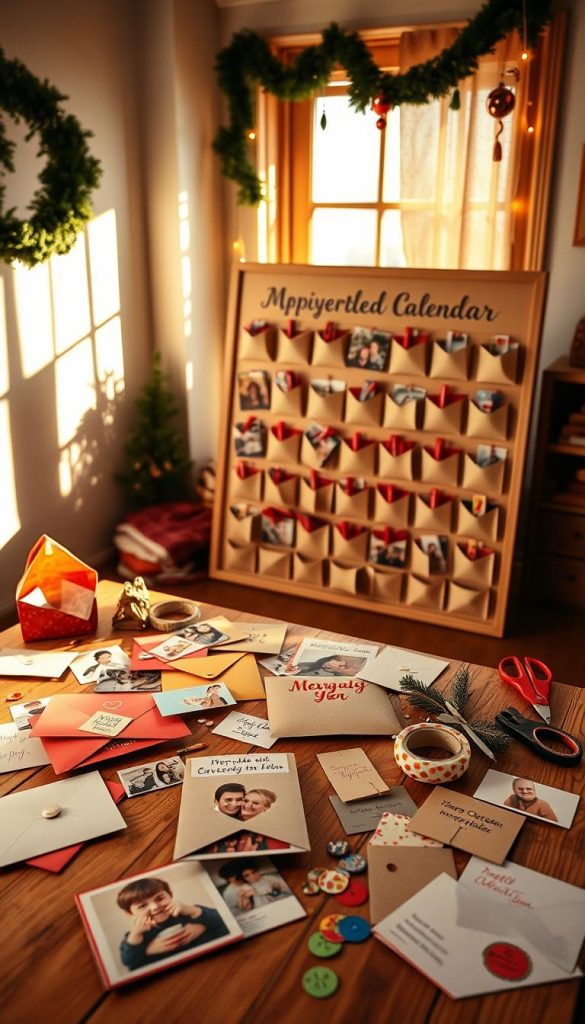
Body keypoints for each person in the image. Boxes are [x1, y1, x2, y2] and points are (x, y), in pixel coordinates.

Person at [117, 876, 229, 970]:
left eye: (160, 898)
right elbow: (131, 963)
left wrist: (193, 910)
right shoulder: (136, 936)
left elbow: (225, 921)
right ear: (129, 913)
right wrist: (140, 942)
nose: (155, 907)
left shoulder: (188, 913)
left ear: (170, 895)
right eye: (142, 906)